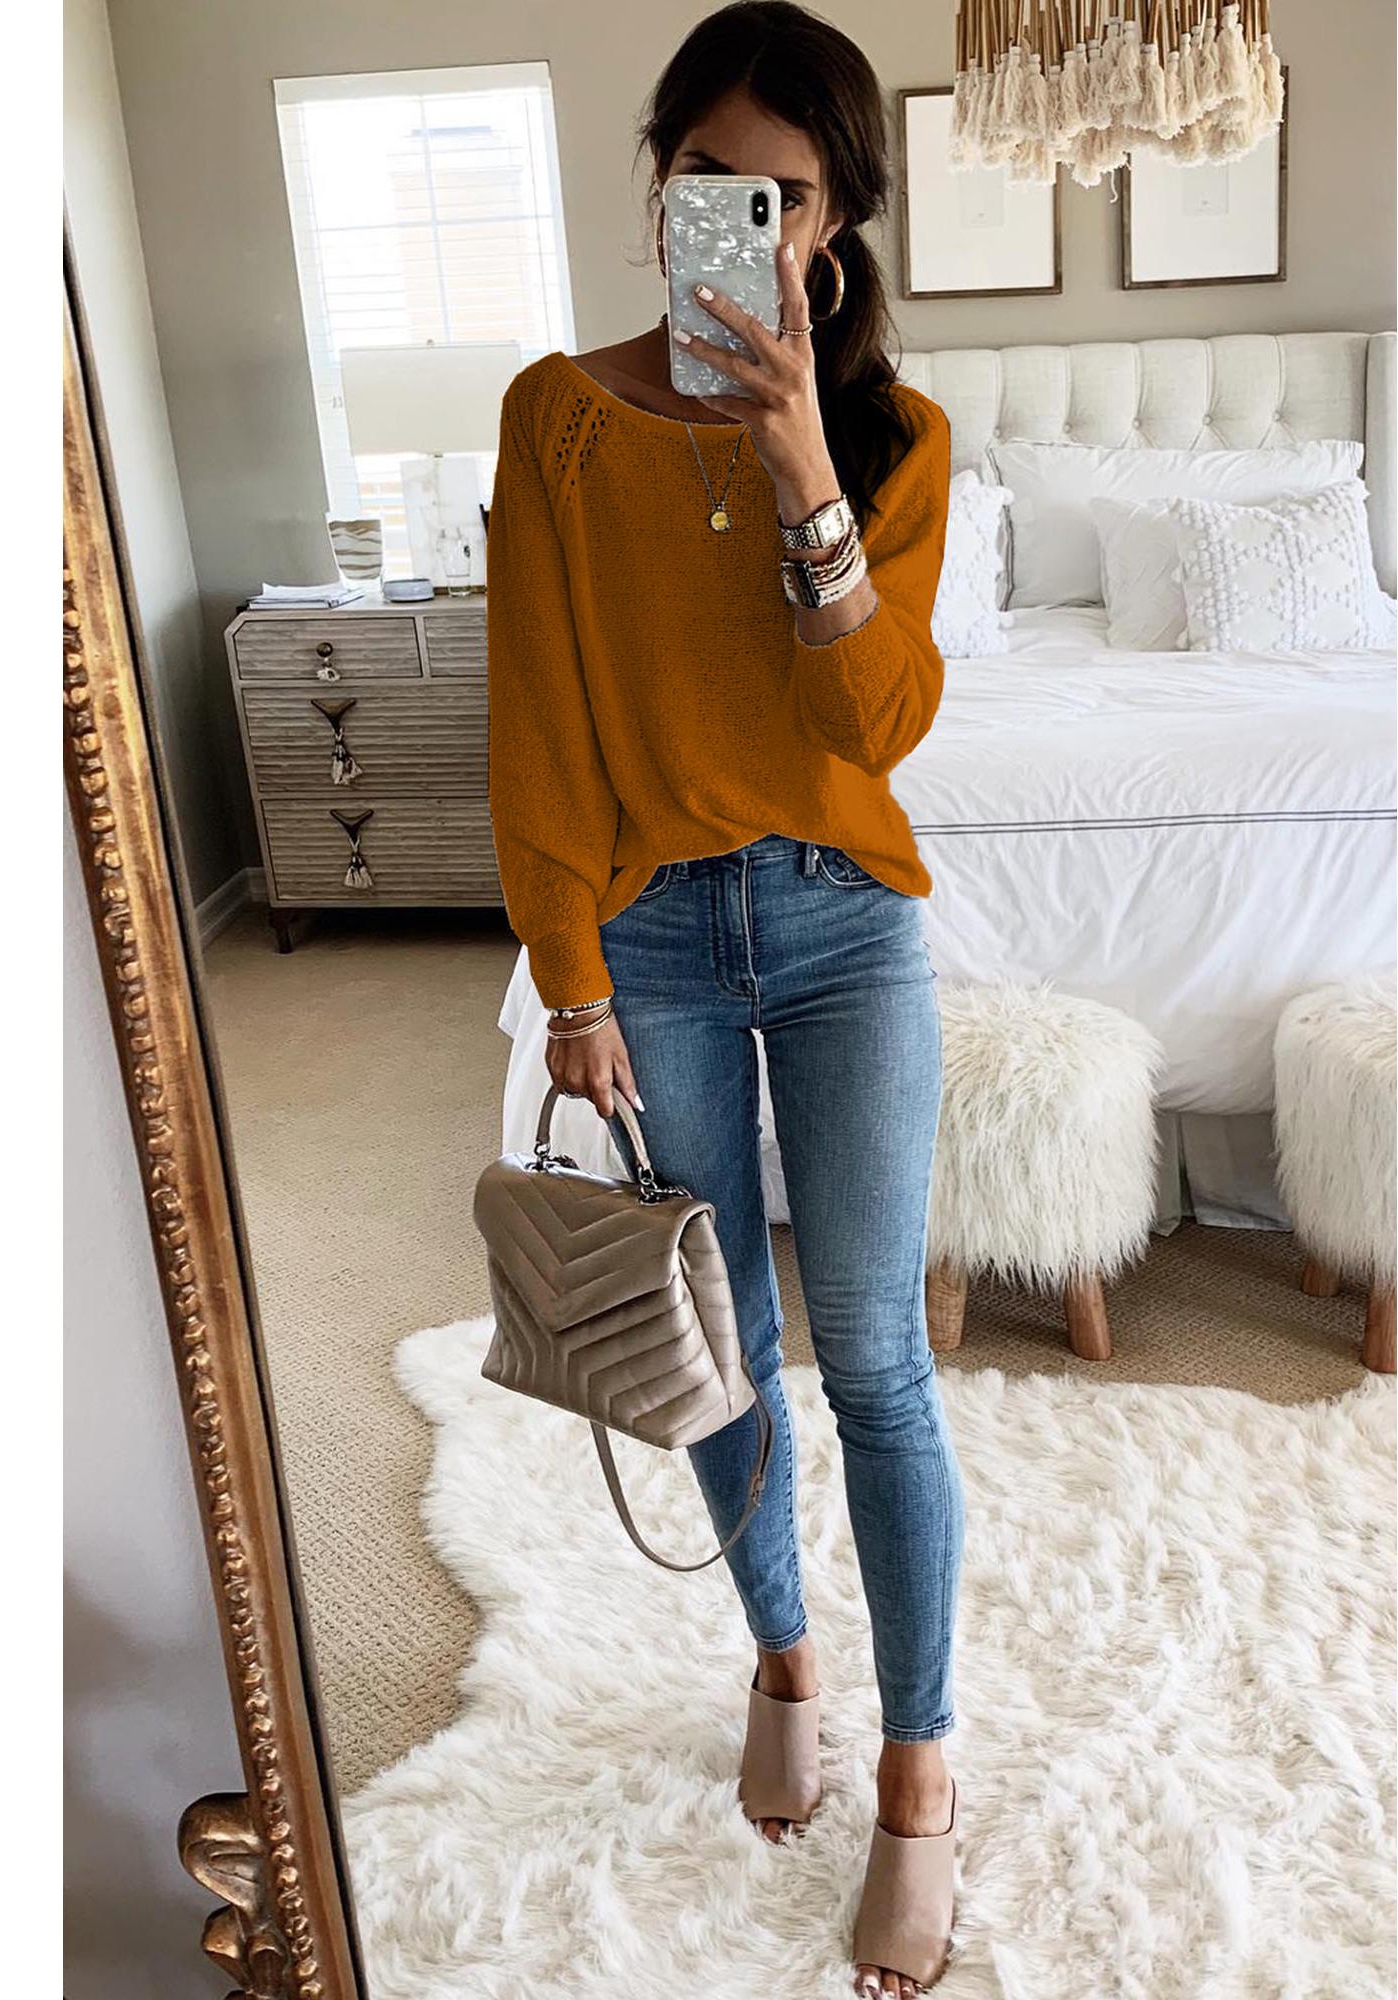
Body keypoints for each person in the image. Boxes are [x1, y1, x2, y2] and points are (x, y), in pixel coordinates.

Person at [486, 6, 964, 1991]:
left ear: (835, 223)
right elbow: (536, 717)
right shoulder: (558, 418)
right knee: (719, 1349)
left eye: (781, 193)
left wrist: (794, 460)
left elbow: (876, 728)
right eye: (706, 180)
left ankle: (918, 1776)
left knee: (874, 1356)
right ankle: (781, 1656)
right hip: (657, 936)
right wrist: (569, 979)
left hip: (846, 921)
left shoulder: (895, 439)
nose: (737, 218)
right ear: (659, 177)